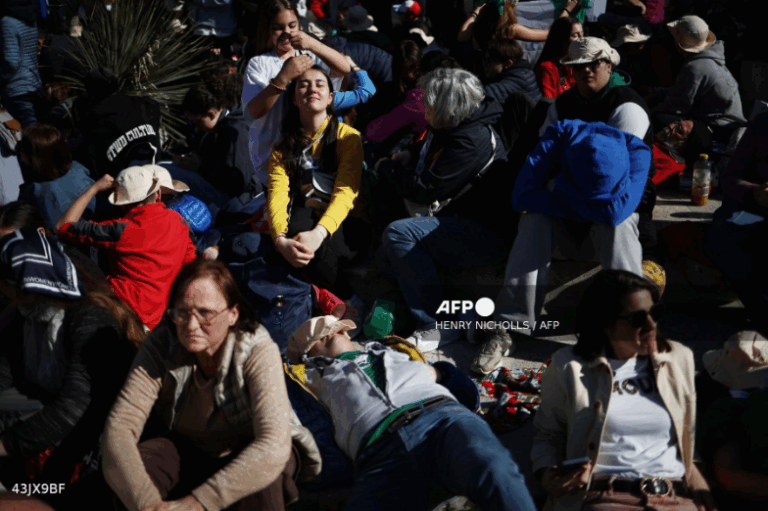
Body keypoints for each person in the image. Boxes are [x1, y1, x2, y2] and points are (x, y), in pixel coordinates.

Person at [102, 259, 319, 511]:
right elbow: (120, 429)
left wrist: (198, 503)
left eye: (205, 313)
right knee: (138, 465)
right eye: (182, 312)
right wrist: (147, 504)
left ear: (233, 314)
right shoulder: (162, 346)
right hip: (191, 446)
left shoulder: (256, 349)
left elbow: (273, 444)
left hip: (251, 444)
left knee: (263, 478)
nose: (191, 325)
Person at [286, 315, 538, 511]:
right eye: (322, 336)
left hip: (442, 418)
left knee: (494, 467)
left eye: (339, 328)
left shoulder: (391, 350)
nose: (335, 332)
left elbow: (469, 394)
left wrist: (441, 373)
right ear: (306, 356)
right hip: (379, 451)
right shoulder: (308, 380)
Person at [472, 120, 650, 374]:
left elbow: (613, 214)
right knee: (534, 219)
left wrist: (558, 191)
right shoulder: (557, 137)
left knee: (621, 223)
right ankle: (508, 327)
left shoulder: (638, 152)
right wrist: (593, 204)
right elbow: (521, 197)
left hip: (602, 239)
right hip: (559, 238)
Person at [532, 269, 716, 511]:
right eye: (637, 319)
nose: (651, 325)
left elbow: (684, 435)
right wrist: (548, 475)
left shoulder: (676, 359)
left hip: (675, 496)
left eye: (655, 313)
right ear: (605, 323)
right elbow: (548, 434)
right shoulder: (569, 366)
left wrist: (696, 477)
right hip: (607, 497)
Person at [0, 221, 143, 510]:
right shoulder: (23, 314)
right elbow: (4, 375)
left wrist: (5, 445)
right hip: (44, 413)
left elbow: (74, 407)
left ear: (22, 287)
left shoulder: (90, 320)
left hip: (90, 440)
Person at [376, 67, 509, 351]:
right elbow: (431, 148)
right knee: (385, 249)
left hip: (483, 233)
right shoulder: (456, 125)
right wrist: (410, 152)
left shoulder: (470, 140)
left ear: (448, 107)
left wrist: (386, 168)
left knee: (399, 234)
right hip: (456, 218)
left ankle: (436, 325)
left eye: (428, 102)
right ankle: (461, 317)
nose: (423, 106)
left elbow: (424, 188)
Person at [267, 66, 370, 307]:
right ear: (294, 99)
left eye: (320, 84)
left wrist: (319, 233)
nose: (312, 88)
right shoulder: (282, 148)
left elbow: (345, 193)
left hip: (347, 223)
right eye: (303, 84)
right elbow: (277, 196)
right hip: (307, 219)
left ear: (330, 97)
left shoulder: (348, 138)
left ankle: (343, 297)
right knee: (295, 233)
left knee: (313, 245)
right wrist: (280, 240)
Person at [55, 164, 197, 330]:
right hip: (155, 320)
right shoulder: (181, 223)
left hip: (119, 310)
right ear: (158, 193)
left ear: (122, 205)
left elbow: (62, 227)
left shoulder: (119, 230)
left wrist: (94, 188)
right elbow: (190, 265)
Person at [241, 0, 350, 186]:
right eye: (278, 28)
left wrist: (314, 44)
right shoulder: (259, 64)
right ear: (267, 29)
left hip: (314, 158)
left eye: (292, 25)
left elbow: (344, 68)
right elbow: (252, 112)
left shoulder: (311, 56)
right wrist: (282, 78)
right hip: (274, 161)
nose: (287, 32)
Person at [705, 111, 768, 337]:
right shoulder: (762, 123)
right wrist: (754, 193)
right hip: (756, 208)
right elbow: (731, 177)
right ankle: (761, 313)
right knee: (724, 232)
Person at [651, 15, 746, 141]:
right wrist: (658, 93)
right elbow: (679, 92)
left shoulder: (695, 67)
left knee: (658, 118)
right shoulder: (712, 61)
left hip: (718, 130)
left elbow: (677, 107)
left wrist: (650, 108)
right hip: (726, 127)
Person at [182, 73, 262, 199]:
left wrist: (200, 168)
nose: (196, 127)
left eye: (197, 122)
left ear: (211, 114)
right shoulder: (230, 122)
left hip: (250, 198)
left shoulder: (234, 131)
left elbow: (237, 182)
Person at [16, 124, 96, 231]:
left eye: (21, 148)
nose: (19, 150)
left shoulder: (38, 193)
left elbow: (54, 231)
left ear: (35, 159)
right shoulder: (78, 168)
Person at [459, 0, 579, 48]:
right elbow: (550, 34)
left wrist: (475, 12)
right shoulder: (509, 29)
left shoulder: (478, 26)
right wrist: (567, 10)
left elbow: (461, 36)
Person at [0, 0, 44, 127]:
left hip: (18, 90)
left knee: (30, 133)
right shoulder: (31, 18)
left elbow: (11, 61)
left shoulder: (8, 22)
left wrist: (1, 78)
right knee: (36, 132)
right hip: (34, 84)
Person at [483, 36, 542, 105]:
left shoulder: (519, 79)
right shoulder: (520, 71)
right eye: (484, 59)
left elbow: (485, 93)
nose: (484, 64)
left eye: (490, 61)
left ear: (508, 64)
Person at [535, 17, 582, 99]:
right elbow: (548, 102)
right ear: (561, 38)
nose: (581, 39)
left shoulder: (576, 65)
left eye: (582, 33)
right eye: (575, 35)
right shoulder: (547, 68)